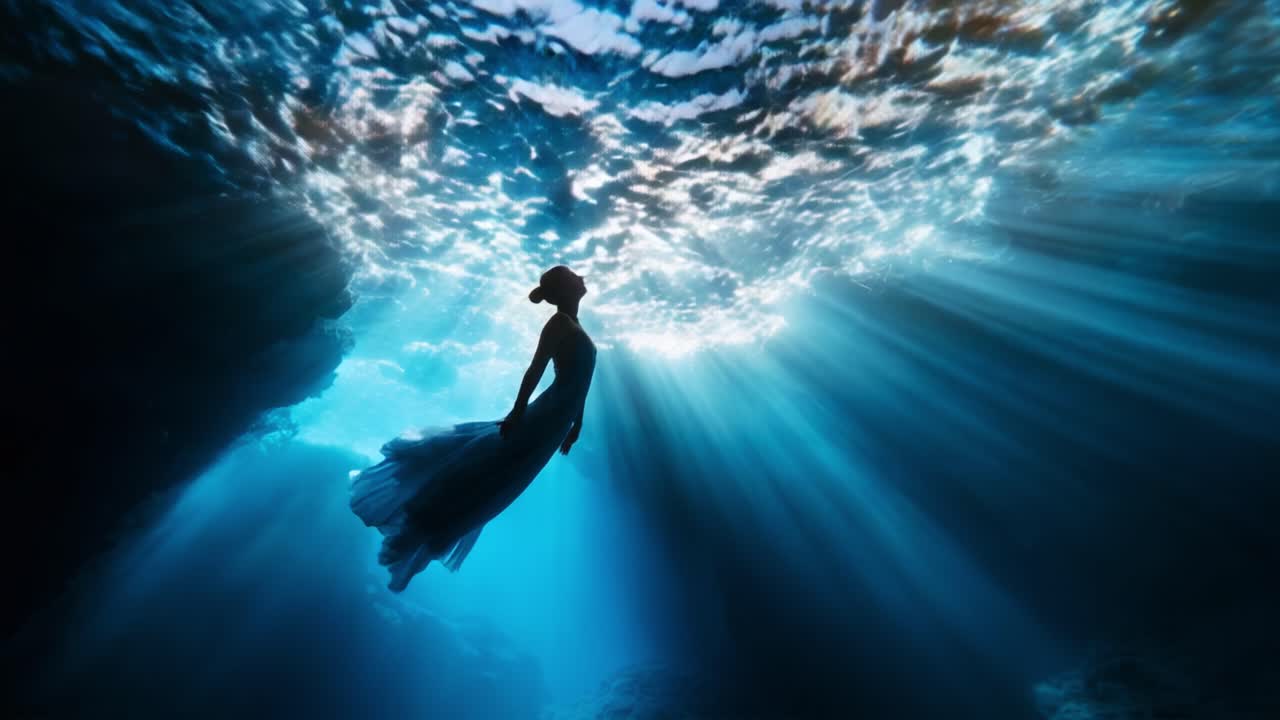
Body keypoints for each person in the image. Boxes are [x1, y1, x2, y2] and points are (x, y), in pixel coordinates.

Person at [349, 266, 596, 591]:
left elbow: (581, 383)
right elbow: (535, 369)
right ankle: (422, 517)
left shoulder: (575, 326)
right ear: (565, 288)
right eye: (574, 276)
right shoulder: (559, 323)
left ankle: (431, 523)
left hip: (559, 422)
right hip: (548, 414)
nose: (581, 278)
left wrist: (577, 424)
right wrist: (517, 412)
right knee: (492, 467)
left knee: (502, 479)